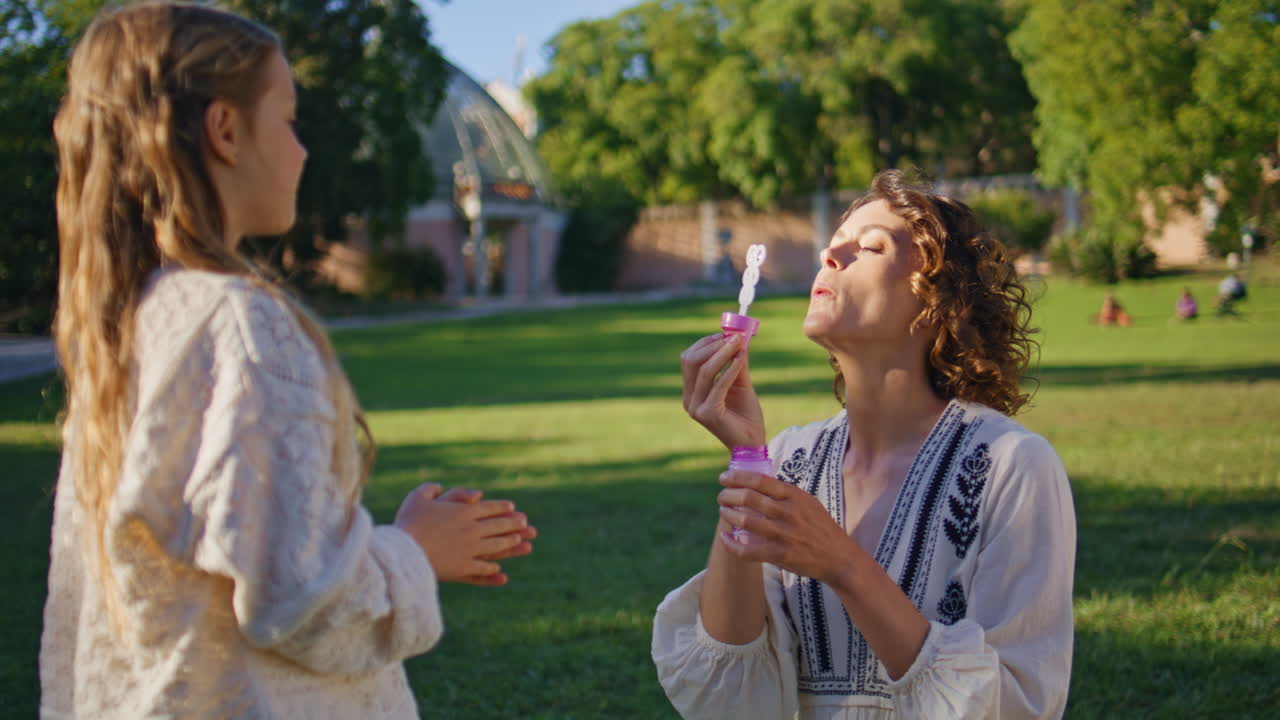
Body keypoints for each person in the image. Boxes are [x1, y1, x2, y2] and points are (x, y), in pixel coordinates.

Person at [40, 4, 535, 718]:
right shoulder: (237, 328)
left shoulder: (132, 325)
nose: (302, 151)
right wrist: (415, 553)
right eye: (289, 119)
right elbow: (300, 600)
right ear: (227, 130)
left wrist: (370, 538)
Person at [653, 170, 1076, 719]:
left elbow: (1019, 704)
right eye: (832, 248)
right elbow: (731, 689)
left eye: (870, 247)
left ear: (938, 301)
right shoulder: (788, 460)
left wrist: (844, 565)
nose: (830, 258)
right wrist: (748, 457)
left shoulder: (1010, 466)